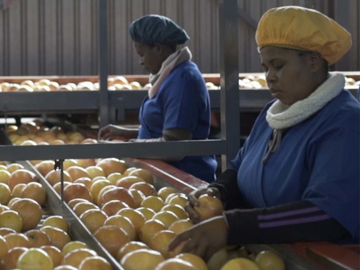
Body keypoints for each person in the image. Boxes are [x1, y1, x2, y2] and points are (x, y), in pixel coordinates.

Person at [169, 6, 360, 260]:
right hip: (265, 254)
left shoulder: (344, 123)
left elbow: (327, 213)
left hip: (319, 261)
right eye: (265, 67)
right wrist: (218, 191)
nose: (269, 77)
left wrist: (234, 226)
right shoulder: (274, 113)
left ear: (313, 61)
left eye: (278, 66)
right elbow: (239, 167)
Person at [98, 15, 217, 183]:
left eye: (141, 54)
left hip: (183, 181)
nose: (140, 62)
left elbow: (173, 147)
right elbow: (165, 128)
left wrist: (129, 146)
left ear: (159, 49)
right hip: (163, 175)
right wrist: (127, 132)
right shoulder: (170, 76)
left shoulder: (183, 80)